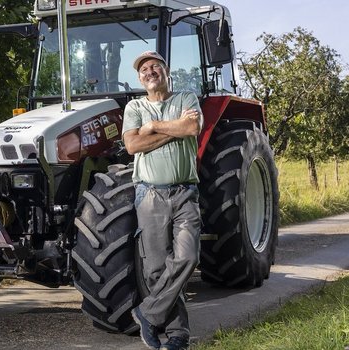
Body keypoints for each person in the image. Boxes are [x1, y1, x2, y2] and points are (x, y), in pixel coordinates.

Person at [122, 51, 203, 350]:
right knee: (156, 268)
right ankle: (178, 335)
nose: (149, 71)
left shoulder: (185, 98)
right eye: (144, 69)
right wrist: (174, 129)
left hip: (184, 192)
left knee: (187, 257)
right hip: (150, 194)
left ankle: (147, 313)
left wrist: (154, 127)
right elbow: (132, 144)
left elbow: (191, 128)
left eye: (155, 66)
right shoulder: (134, 107)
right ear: (140, 78)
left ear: (167, 72)